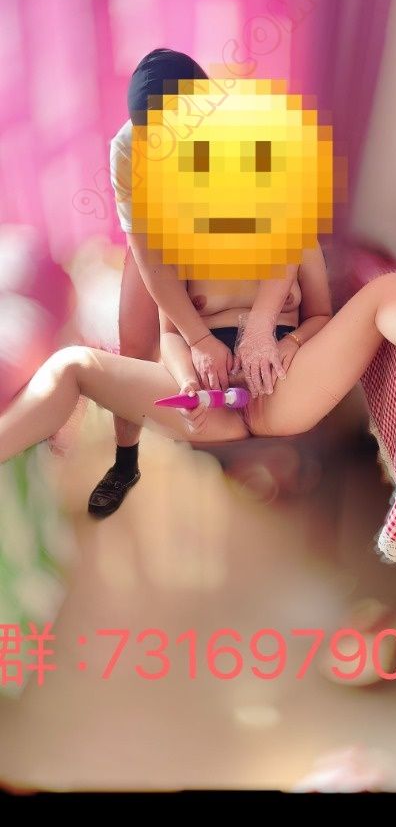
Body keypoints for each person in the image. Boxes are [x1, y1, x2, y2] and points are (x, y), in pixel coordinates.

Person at [2, 253, 396, 471]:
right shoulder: (177, 246)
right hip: (208, 403)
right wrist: (187, 382)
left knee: (388, 289)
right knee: (72, 364)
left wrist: (293, 342)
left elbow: (321, 316)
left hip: (279, 389)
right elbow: (170, 337)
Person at [88, 48, 297, 517]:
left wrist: (260, 323)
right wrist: (197, 338)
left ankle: (229, 448)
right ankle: (125, 462)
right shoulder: (127, 150)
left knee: (234, 333)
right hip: (163, 232)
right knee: (136, 341)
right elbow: (149, 257)